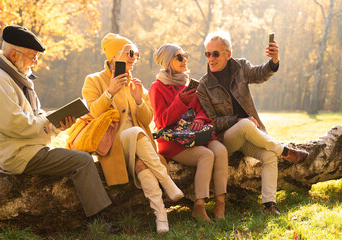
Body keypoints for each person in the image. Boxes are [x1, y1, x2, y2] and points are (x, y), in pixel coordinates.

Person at [0, 25, 112, 218]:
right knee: (82, 160)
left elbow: (33, 117)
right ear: (14, 55)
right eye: (33, 57)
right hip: (17, 153)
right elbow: (15, 124)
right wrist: (49, 121)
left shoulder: (14, 76)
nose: (35, 62)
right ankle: (100, 218)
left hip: (27, 146)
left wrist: (58, 125)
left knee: (80, 155)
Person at [197, 30, 309, 215]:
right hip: (227, 139)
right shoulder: (204, 86)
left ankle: (269, 205)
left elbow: (260, 74)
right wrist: (238, 120)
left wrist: (274, 61)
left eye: (215, 53)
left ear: (228, 54)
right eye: (207, 54)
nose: (211, 58)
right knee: (247, 125)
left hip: (250, 135)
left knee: (269, 156)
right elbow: (213, 123)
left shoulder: (240, 67)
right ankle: (286, 151)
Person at [81, 33, 183, 234]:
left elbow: (147, 120)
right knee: (136, 132)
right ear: (114, 56)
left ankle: (161, 216)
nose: (133, 58)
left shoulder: (135, 83)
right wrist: (109, 91)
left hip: (138, 147)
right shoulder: (93, 80)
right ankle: (167, 182)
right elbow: (92, 113)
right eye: (129, 53)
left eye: (136, 54)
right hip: (114, 146)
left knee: (141, 164)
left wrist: (139, 100)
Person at [149, 44, 229, 222]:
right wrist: (180, 101)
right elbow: (161, 121)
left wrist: (200, 119)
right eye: (179, 57)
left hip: (197, 134)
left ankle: (220, 203)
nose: (184, 59)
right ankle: (199, 206)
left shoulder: (188, 83)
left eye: (185, 55)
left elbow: (200, 110)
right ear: (168, 61)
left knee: (221, 151)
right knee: (206, 156)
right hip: (174, 141)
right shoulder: (157, 88)